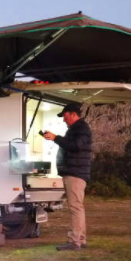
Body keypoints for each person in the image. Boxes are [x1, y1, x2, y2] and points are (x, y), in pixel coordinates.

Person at [43, 103, 92, 251]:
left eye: (65, 116)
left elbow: (75, 146)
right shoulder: (77, 129)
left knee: (75, 207)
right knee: (78, 207)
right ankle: (80, 239)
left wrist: (55, 138)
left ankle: (74, 241)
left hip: (75, 173)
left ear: (73, 114)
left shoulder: (81, 128)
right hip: (75, 172)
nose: (64, 120)